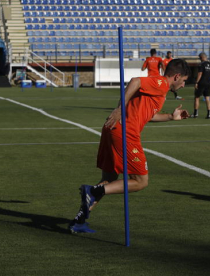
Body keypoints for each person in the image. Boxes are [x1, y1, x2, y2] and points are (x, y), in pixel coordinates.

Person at [69, 59, 191, 233]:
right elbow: (135, 81)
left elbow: (148, 115)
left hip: (112, 128)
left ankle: (79, 221)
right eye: (184, 80)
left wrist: (171, 117)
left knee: (109, 179)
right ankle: (92, 191)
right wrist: (120, 108)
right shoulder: (161, 83)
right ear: (177, 76)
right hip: (125, 132)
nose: (184, 85)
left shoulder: (160, 90)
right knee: (140, 182)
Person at [191, 53, 210, 119]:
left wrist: (196, 82)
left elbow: (200, 74)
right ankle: (209, 114)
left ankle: (195, 114)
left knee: (197, 97)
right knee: (207, 98)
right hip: (208, 83)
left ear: (201, 57)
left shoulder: (201, 64)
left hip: (201, 83)